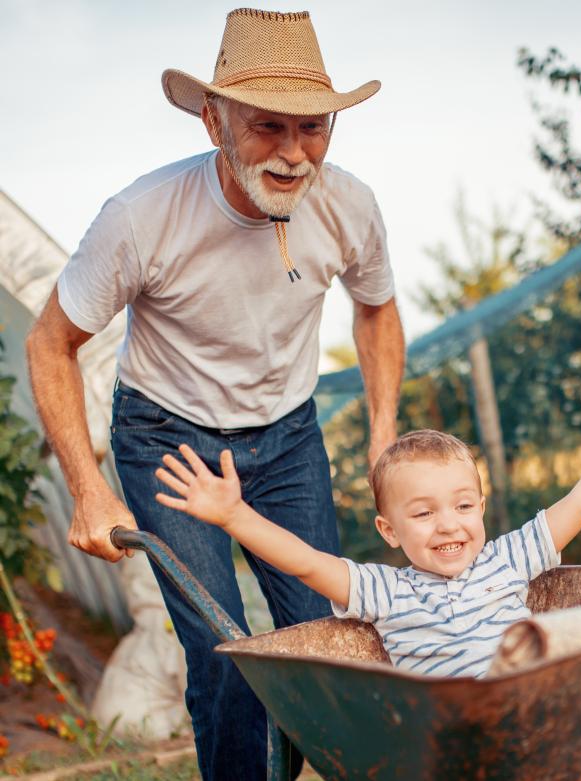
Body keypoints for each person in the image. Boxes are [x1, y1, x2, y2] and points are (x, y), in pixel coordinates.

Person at [25, 8, 404, 780]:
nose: (295, 155)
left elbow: (378, 307)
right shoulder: (141, 218)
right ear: (212, 120)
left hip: (289, 438)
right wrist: (88, 488)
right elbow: (48, 343)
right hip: (167, 438)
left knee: (321, 642)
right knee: (226, 649)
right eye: (267, 127)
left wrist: (382, 431)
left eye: (314, 128)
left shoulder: (351, 205)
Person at [155, 366, 581, 678]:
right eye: (422, 513)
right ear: (389, 531)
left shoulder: (509, 559)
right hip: (450, 730)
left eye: (464, 506)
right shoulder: (385, 592)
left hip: (535, 702)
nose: (448, 525)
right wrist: (234, 515)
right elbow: (307, 562)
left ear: (481, 509)